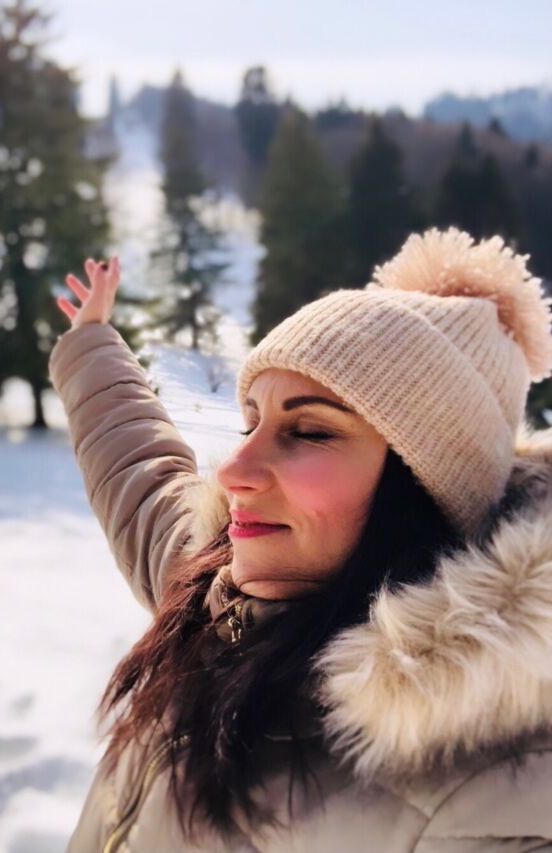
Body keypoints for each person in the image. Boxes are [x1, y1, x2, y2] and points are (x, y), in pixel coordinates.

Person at [49, 227, 552, 853]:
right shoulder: (214, 585)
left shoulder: (491, 787)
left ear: (425, 485)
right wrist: (92, 340)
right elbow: (136, 466)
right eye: (251, 424)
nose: (232, 473)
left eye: (310, 431)